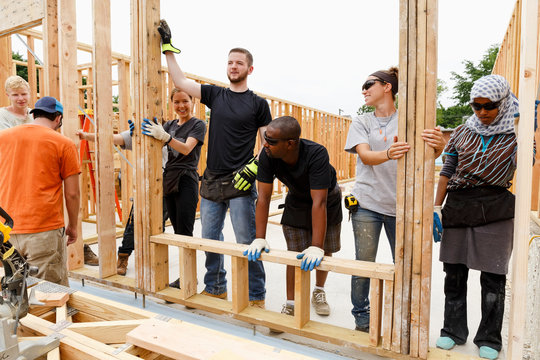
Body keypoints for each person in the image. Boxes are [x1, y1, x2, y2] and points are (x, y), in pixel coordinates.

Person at [158, 20, 271, 307]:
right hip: (210, 180)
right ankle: (215, 287)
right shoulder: (215, 94)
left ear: (249, 69)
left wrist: (255, 166)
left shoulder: (258, 104)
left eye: (239, 63)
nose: (233, 66)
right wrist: (168, 49)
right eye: (230, 62)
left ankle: (256, 295)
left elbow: (268, 143)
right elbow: (181, 83)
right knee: (209, 239)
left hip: (240, 181)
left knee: (247, 242)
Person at [344, 67, 445, 332]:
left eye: (369, 84)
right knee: (364, 263)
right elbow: (365, 156)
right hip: (367, 204)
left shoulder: (409, 120)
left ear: (387, 86)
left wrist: (438, 147)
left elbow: (426, 155)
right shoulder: (362, 121)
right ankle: (362, 316)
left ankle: (403, 314)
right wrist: (388, 152)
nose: (364, 90)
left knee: (404, 264)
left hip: (401, 207)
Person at [434, 75, 528, 360]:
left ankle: (489, 337)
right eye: (477, 106)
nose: (483, 113)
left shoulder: (515, 133)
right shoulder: (463, 131)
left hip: (495, 207)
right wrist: (436, 208)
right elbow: (447, 169)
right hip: (460, 204)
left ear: (504, 102)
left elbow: (528, 162)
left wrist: (528, 129)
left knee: (493, 277)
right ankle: (452, 331)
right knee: (454, 273)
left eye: (490, 106)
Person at [244, 116, 342, 320]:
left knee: (325, 250)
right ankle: (291, 303)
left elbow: (319, 202)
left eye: (271, 141)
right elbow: (263, 197)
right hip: (297, 199)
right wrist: (259, 237)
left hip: (326, 199)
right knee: (294, 254)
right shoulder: (267, 155)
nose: (265, 144)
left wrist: (316, 245)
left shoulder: (316, 153)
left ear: (290, 144)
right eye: (265, 138)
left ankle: (318, 291)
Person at [0, 96, 80, 286]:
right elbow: (72, 193)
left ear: (34, 114)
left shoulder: (3, 138)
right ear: (58, 118)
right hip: (43, 230)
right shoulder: (63, 143)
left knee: (14, 294)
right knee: (48, 296)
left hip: (6, 231)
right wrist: (73, 226)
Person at [141, 89, 207, 287]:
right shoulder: (168, 125)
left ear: (193, 101)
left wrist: (167, 138)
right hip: (168, 180)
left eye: (185, 101)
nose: (181, 106)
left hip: (187, 180)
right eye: (177, 102)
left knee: (186, 232)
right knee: (178, 232)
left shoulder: (198, 124)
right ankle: (187, 278)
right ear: (172, 104)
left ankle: (188, 279)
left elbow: (187, 148)